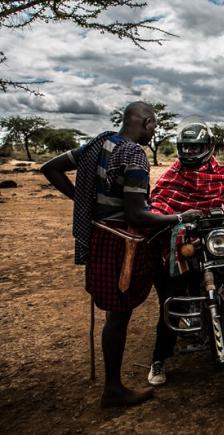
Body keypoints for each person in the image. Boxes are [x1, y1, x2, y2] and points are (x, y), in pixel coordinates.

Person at [40, 102, 202, 408]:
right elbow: (137, 213)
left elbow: (50, 167)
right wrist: (181, 217)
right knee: (128, 310)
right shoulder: (134, 154)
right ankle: (113, 388)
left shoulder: (99, 143)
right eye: (154, 127)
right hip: (123, 241)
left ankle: (118, 382)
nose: (154, 133)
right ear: (147, 122)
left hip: (101, 235)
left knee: (115, 315)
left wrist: (84, 201)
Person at [146, 120, 224, 386]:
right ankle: (159, 358)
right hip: (187, 242)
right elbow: (158, 201)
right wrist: (169, 217)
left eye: (197, 148)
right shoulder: (173, 174)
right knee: (173, 296)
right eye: (186, 148)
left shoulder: (221, 172)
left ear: (209, 147)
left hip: (215, 236)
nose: (191, 153)